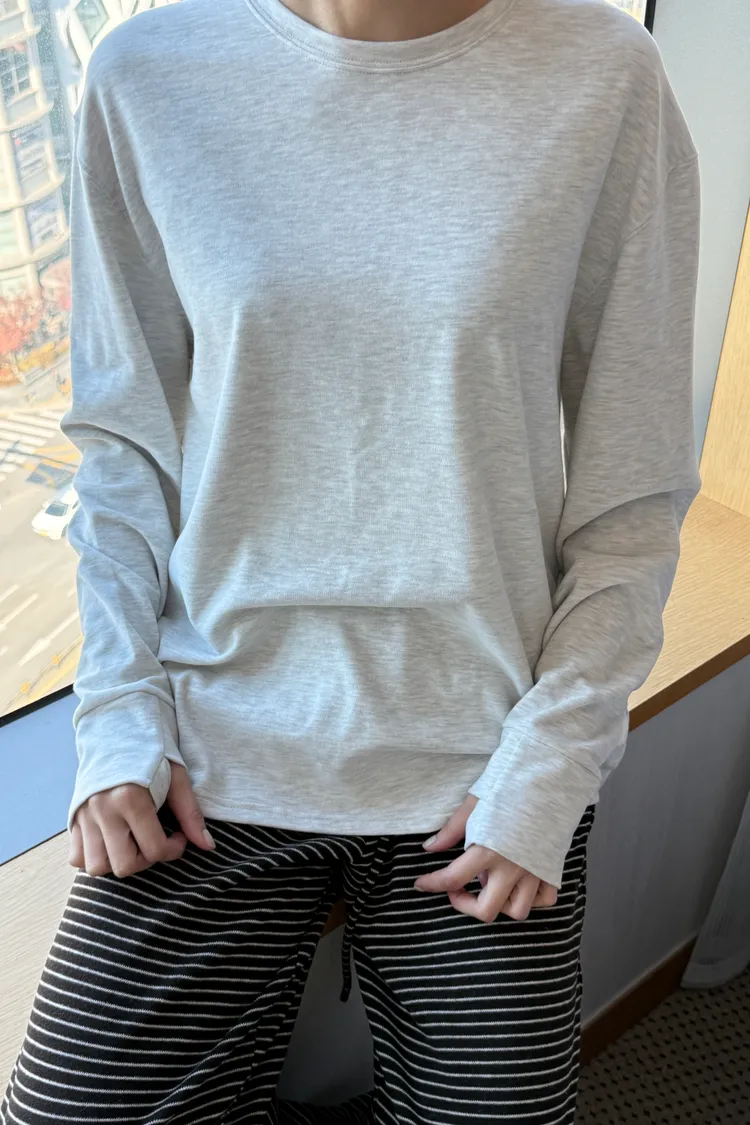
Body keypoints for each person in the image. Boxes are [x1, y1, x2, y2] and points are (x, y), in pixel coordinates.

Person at [1, 0, 702, 1121]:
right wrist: (119, 714)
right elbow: (124, 454)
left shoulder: (605, 74)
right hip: (210, 752)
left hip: (480, 758)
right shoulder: (146, 75)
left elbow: (634, 490)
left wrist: (551, 763)